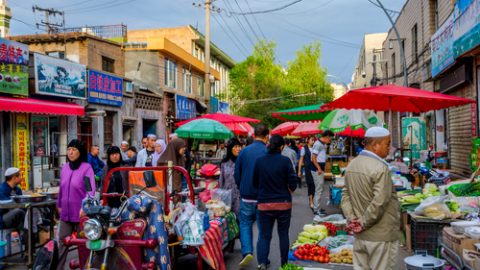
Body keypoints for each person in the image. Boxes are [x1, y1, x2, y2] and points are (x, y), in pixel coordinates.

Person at [341, 127, 400, 270]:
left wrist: (352, 218)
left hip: (361, 236)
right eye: (387, 143)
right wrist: (362, 222)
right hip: (381, 236)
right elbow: (380, 201)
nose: (390, 148)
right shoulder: (380, 168)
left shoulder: (352, 164)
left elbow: (345, 195)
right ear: (375, 144)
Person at [253, 135, 297, 269]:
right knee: (283, 234)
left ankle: (262, 262)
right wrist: (289, 189)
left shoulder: (259, 161)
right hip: (283, 203)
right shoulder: (285, 161)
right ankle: (284, 264)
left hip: (264, 204)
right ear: (282, 146)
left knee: (264, 235)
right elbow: (293, 182)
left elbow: (254, 182)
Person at [57, 139, 96, 270]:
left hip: (80, 213)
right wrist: (59, 205)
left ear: (80, 152)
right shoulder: (65, 167)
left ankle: (86, 267)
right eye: (68, 149)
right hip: (65, 212)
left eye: (74, 150)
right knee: (62, 243)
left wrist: (85, 207)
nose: (70, 152)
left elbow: (90, 191)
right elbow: (61, 188)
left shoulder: (86, 168)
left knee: (83, 244)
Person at [234, 123, 269, 267]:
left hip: (247, 195)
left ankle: (247, 251)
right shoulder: (268, 152)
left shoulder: (244, 152)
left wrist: (241, 187)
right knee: (263, 228)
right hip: (263, 197)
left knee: (245, 224)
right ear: (267, 137)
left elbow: (237, 174)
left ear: (253, 135)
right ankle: (262, 260)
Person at [310, 130, 334, 216]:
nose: (330, 140)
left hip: (319, 169)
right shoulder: (318, 144)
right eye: (330, 138)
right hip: (317, 170)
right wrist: (319, 168)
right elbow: (313, 158)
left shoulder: (322, 144)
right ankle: (316, 210)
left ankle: (318, 207)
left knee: (319, 189)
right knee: (319, 190)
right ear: (327, 136)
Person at [219, 138, 242, 216]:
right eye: (235, 147)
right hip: (227, 196)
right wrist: (220, 195)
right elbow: (221, 180)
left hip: (239, 196)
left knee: (239, 221)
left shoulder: (242, 161)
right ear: (230, 148)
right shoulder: (224, 163)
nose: (238, 149)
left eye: (239, 146)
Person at [0, 168, 25, 233]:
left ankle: (30, 236)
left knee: (32, 211)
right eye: (19, 175)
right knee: (19, 212)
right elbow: (8, 205)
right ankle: (28, 238)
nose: (21, 178)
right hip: (2, 218)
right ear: (14, 178)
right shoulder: (2, 189)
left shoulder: (17, 189)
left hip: (15, 218)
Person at [298, 136, 316, 210]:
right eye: (312, 140)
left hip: (315, 168)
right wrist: (299, 171)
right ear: (308, 140)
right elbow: (301, 160)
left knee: (315, 185)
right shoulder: (304, 148)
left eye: (314, 140)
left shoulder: (315, 148)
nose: (313, 141)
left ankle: (313, 200)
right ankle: (311, 201)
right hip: (308, 169)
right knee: (310, 184)